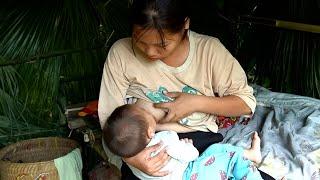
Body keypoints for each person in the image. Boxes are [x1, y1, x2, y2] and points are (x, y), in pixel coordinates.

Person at [98, 0, 274, 179]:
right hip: (141, 143)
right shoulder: (121, 53)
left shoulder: (209, 51)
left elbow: (245, 104)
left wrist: (195, 103)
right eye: (140, 41)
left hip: (198, 140)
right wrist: (132, 158)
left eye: (162, 45)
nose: (150, 52)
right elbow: (109, 116)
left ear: (185, 24)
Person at [103, 104, 263, 180]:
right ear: (151, 132)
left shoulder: (130, 159)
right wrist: (187, 145)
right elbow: (192, 156)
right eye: (145, 113)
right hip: (192, 175)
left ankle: (246, 159)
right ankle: (251, 161)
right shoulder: (165, 139)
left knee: (216, 156)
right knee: (226, 156)